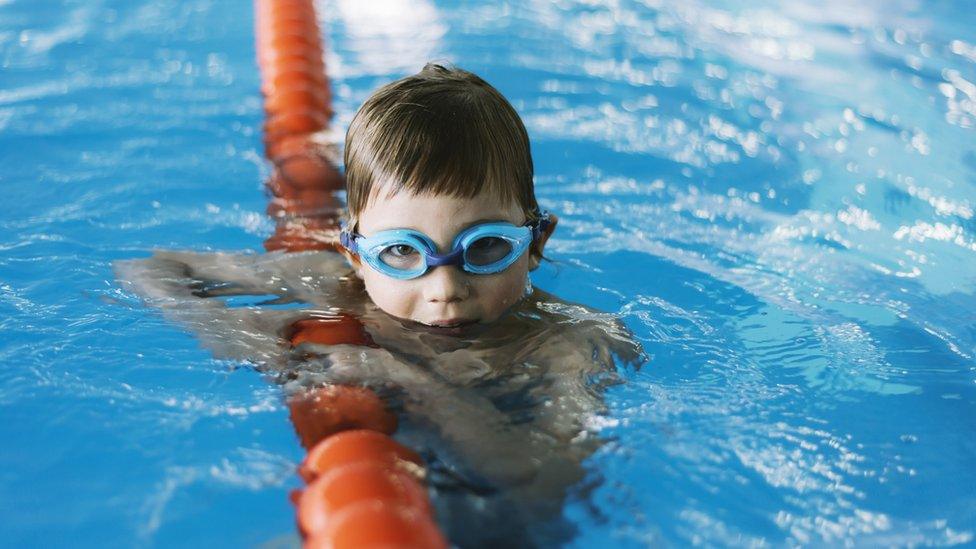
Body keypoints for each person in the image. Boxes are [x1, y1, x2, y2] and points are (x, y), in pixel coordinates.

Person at [116, 63, 643, 547]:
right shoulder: (330, 281)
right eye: (400, 252)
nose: (444, 288)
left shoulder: (573, 343)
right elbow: (152, 270)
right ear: (355, 257)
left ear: (536, 244)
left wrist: (411, 383)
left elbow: (546, 481)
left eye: (484, 247)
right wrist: (247, 341)